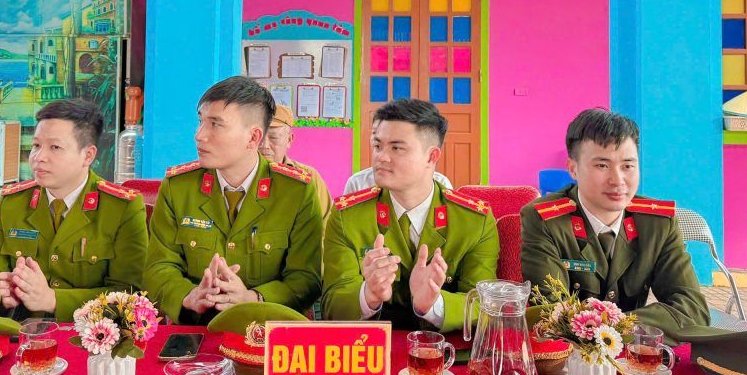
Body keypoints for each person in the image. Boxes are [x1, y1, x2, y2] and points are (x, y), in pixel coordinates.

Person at [144, 76, 323, 325]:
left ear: (253, 137)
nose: (199, 135)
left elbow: (306, 279)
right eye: (201, 122)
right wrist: (188, 296)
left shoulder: (295, 192)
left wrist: (253, 298)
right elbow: (158, 267)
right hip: (196, 329)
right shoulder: (178, 188)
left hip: (267, 330)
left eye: (215, 124)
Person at [520, 108, 709, 339]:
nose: (618, 180)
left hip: (633, 352)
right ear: (573, 169)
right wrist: (633, 326)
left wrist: (616, 326)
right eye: (602, 165)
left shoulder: (657, 223)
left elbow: (693, 310)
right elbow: (552, 314)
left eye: (627, 166)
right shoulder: (545, 221)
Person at [322, 99, 498, 332]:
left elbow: (484, 305)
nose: (381, 157)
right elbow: (331, 304)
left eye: (396, 148)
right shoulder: (348, 217)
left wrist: (434, 304)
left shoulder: (474, 221)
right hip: (372, 348)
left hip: (446, 349)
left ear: (431, 157)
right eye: (377, 146)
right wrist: (368, 295)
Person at [0, 98, 148, 321]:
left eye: (55, 147)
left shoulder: (121, 208)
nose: (39, 157)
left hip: (87, 335)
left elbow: (130, 295)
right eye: (36, 145)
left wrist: (54, 300)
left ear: (88, 155)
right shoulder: (13, 203)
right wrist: (0, 295)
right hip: (22, 331)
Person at [258, 105, 332, 218]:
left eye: (273, 137)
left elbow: (325, 223)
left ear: (289, 140)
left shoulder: (308, 177)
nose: (264, 145)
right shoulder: (238, 176)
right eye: (259, 137)